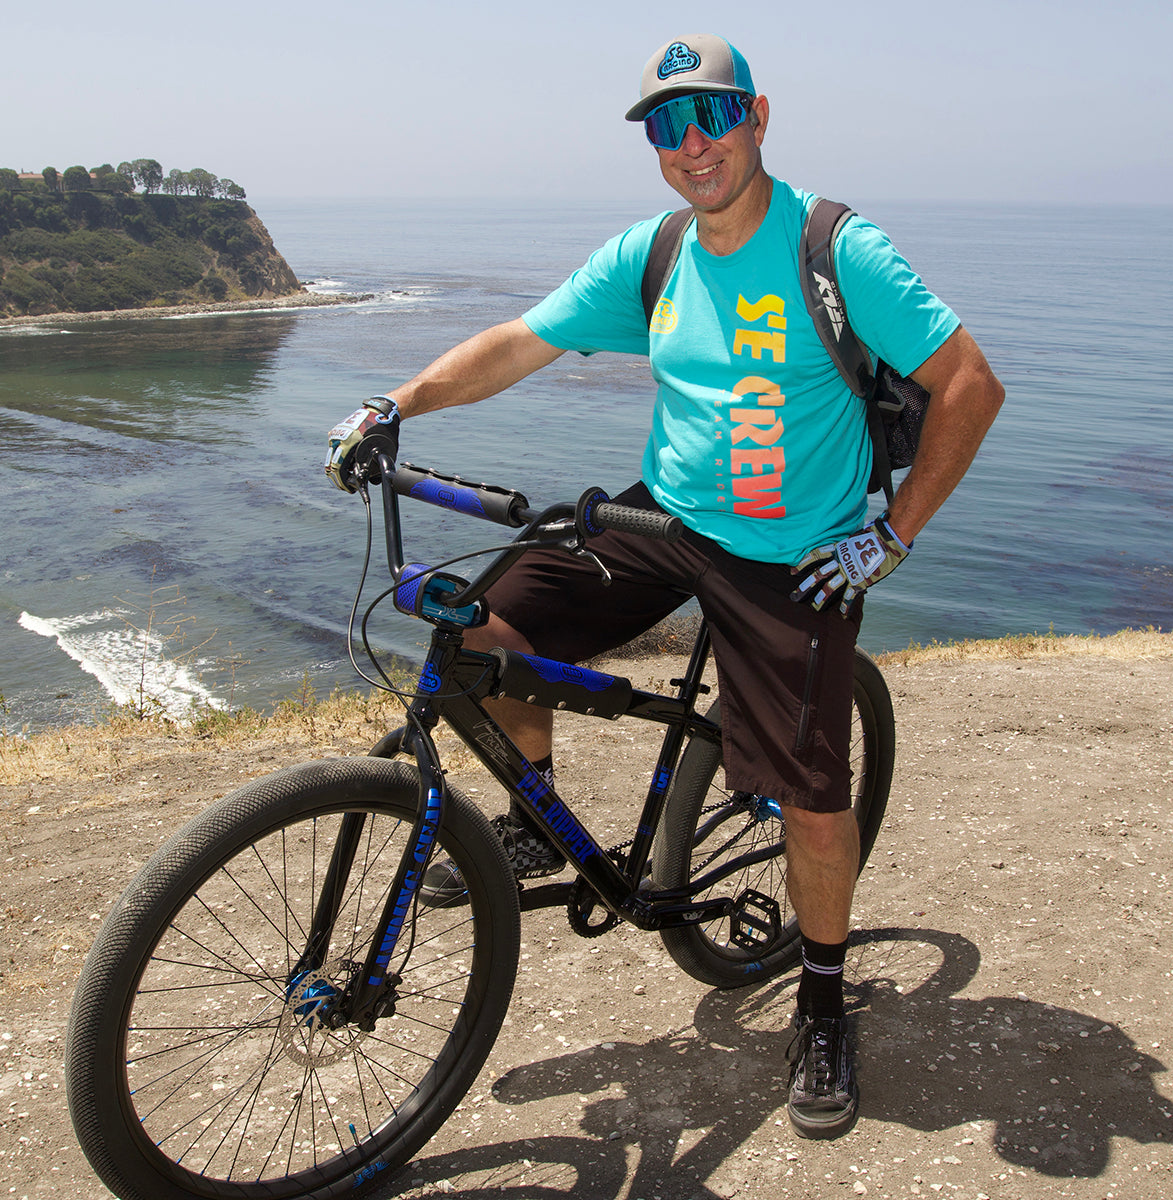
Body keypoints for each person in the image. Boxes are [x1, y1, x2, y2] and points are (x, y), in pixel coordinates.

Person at [325, 33, 1004, 1141]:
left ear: (758, 116)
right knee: (484, 625)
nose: (693, 145)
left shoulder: (836, 249)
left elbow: (970, 383)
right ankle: (536, 824)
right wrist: (394, 404)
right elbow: (519, 343)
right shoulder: (657, 253)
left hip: (796, 552)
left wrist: (894, 535)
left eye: (712, 116)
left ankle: (822, 1004)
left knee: (812, 796)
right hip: (665, 518)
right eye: (667, 126)